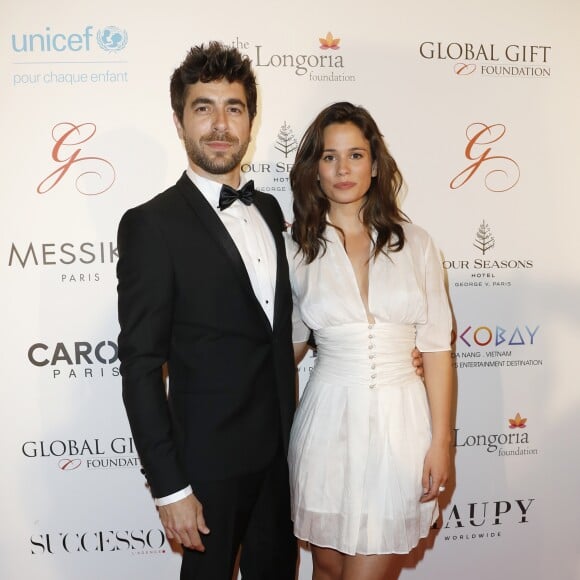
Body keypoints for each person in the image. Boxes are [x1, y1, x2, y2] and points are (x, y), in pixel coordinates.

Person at [116, 42, 297, 580]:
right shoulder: (152, 225)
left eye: (233, 108)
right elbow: (141, 366)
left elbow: (275, 331)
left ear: (250, 120)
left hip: (282, 459)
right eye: (203, 108)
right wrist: (171, 487)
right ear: (179, 121)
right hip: (206, 469)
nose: (220, 125)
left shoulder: (267, 208)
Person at [286, 102, 454, 580]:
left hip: (400, 428)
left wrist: (441, 442)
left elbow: (438, 350)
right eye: (329, 157)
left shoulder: (416, 243)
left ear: (375, 164)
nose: (343, 169)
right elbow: (288, 347)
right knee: (328, 570)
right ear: (314, 169)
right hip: (325, 426)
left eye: (356, 155)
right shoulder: (295, 248)